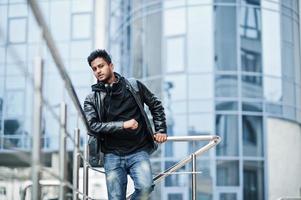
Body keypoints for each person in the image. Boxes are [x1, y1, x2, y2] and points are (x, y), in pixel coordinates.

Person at [84, 49, 167, 200]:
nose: (98, 71)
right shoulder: (92, 98)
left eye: (101, 66)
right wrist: (123, 125)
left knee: (145, 188)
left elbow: (155, 105)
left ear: (111, 66)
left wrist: (160, 129)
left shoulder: (133, 86)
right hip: (112, 155)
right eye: (94, 69)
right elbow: (92, 126)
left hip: (138, 151)